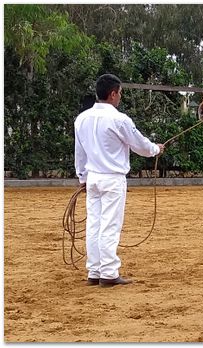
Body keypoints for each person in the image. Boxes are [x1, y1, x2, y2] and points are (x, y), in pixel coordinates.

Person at [74, 73, 165, 287]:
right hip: (113, 179)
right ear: (113, 94)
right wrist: (155, 149)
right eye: (120, 93)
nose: (120, 97)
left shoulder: (82, 119)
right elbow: (140, 145)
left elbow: (80, 153)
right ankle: (108, 272)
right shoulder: (119, 119)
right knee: (109, 225)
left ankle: (94, 271)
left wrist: (82, 177)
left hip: (93, 178)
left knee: (94, 224)